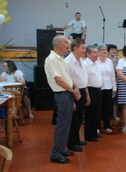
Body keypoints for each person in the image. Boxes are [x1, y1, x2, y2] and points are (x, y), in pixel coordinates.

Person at [44, 35, 80, 163]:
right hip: (62, 94)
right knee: (62, 125)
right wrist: (73, 91)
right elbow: (58, 80)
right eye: (66, 42)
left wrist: (74, 87)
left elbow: (66, 78)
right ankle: (56, 153)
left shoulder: (60, 59)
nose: (68, 45)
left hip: (67, 93)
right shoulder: (52, 59)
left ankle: (61, 148)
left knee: (66, 124)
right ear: (58, 44)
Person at [64, 39, 90, 152]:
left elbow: (83, 80)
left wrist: (87, 95)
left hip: (82, 91)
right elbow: (67, 80)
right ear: (75, 48)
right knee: (73, 119)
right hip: (73, 93)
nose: (85, 50)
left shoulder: (82, 61)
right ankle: (71, 143)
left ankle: (77, 139)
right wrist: (72, 99)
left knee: (79, 118)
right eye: (83, 48)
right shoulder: (68, 62)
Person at [83, 46, 103, 141]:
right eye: (95, 52)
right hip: (90, 91)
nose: (97, 54)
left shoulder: (97, 63)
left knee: (97, 113)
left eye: (97, 52)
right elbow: (84, 81)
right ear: (88, 54)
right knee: (90, 114)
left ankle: (95, 132)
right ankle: (88, 135)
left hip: (98, 91)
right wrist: (87, 95)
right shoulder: (85, 64)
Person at [97, 43, 117, 134]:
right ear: (98, 51)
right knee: (98, 108)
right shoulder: (95, 61)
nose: (105, 51)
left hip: (108, 87)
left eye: (105, 49)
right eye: (102, 49)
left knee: (107, 108)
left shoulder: (109, 61)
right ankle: (97, 126)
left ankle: (107, 125)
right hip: (98, 88)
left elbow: (113, 75)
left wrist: (114, 87)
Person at [107, 44, 120, 121]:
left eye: (115, 50)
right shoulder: (106, 58)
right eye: (112, 50)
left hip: (116, 81)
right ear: (109, 50)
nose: (114, 51)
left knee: (115, 99)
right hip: (107, 81)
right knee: (107, 99)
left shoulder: (118, 58)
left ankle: (114, 114)